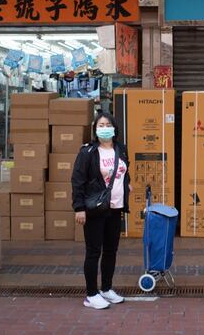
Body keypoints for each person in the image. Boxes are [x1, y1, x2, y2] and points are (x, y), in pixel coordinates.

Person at [71, 112, 130, 309]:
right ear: (95, 129)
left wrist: (127, 186)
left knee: (111, 250)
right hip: (95, 209)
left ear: (114, 128)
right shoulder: (87, 152)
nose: (104, 127)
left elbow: (124, 171)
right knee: (93, 251)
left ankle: (106, 288)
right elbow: (77, 180)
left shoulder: (121, 149)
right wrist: (79, 208)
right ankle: (91, 294)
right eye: (100, 124)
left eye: (107, 124)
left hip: (115, 207)